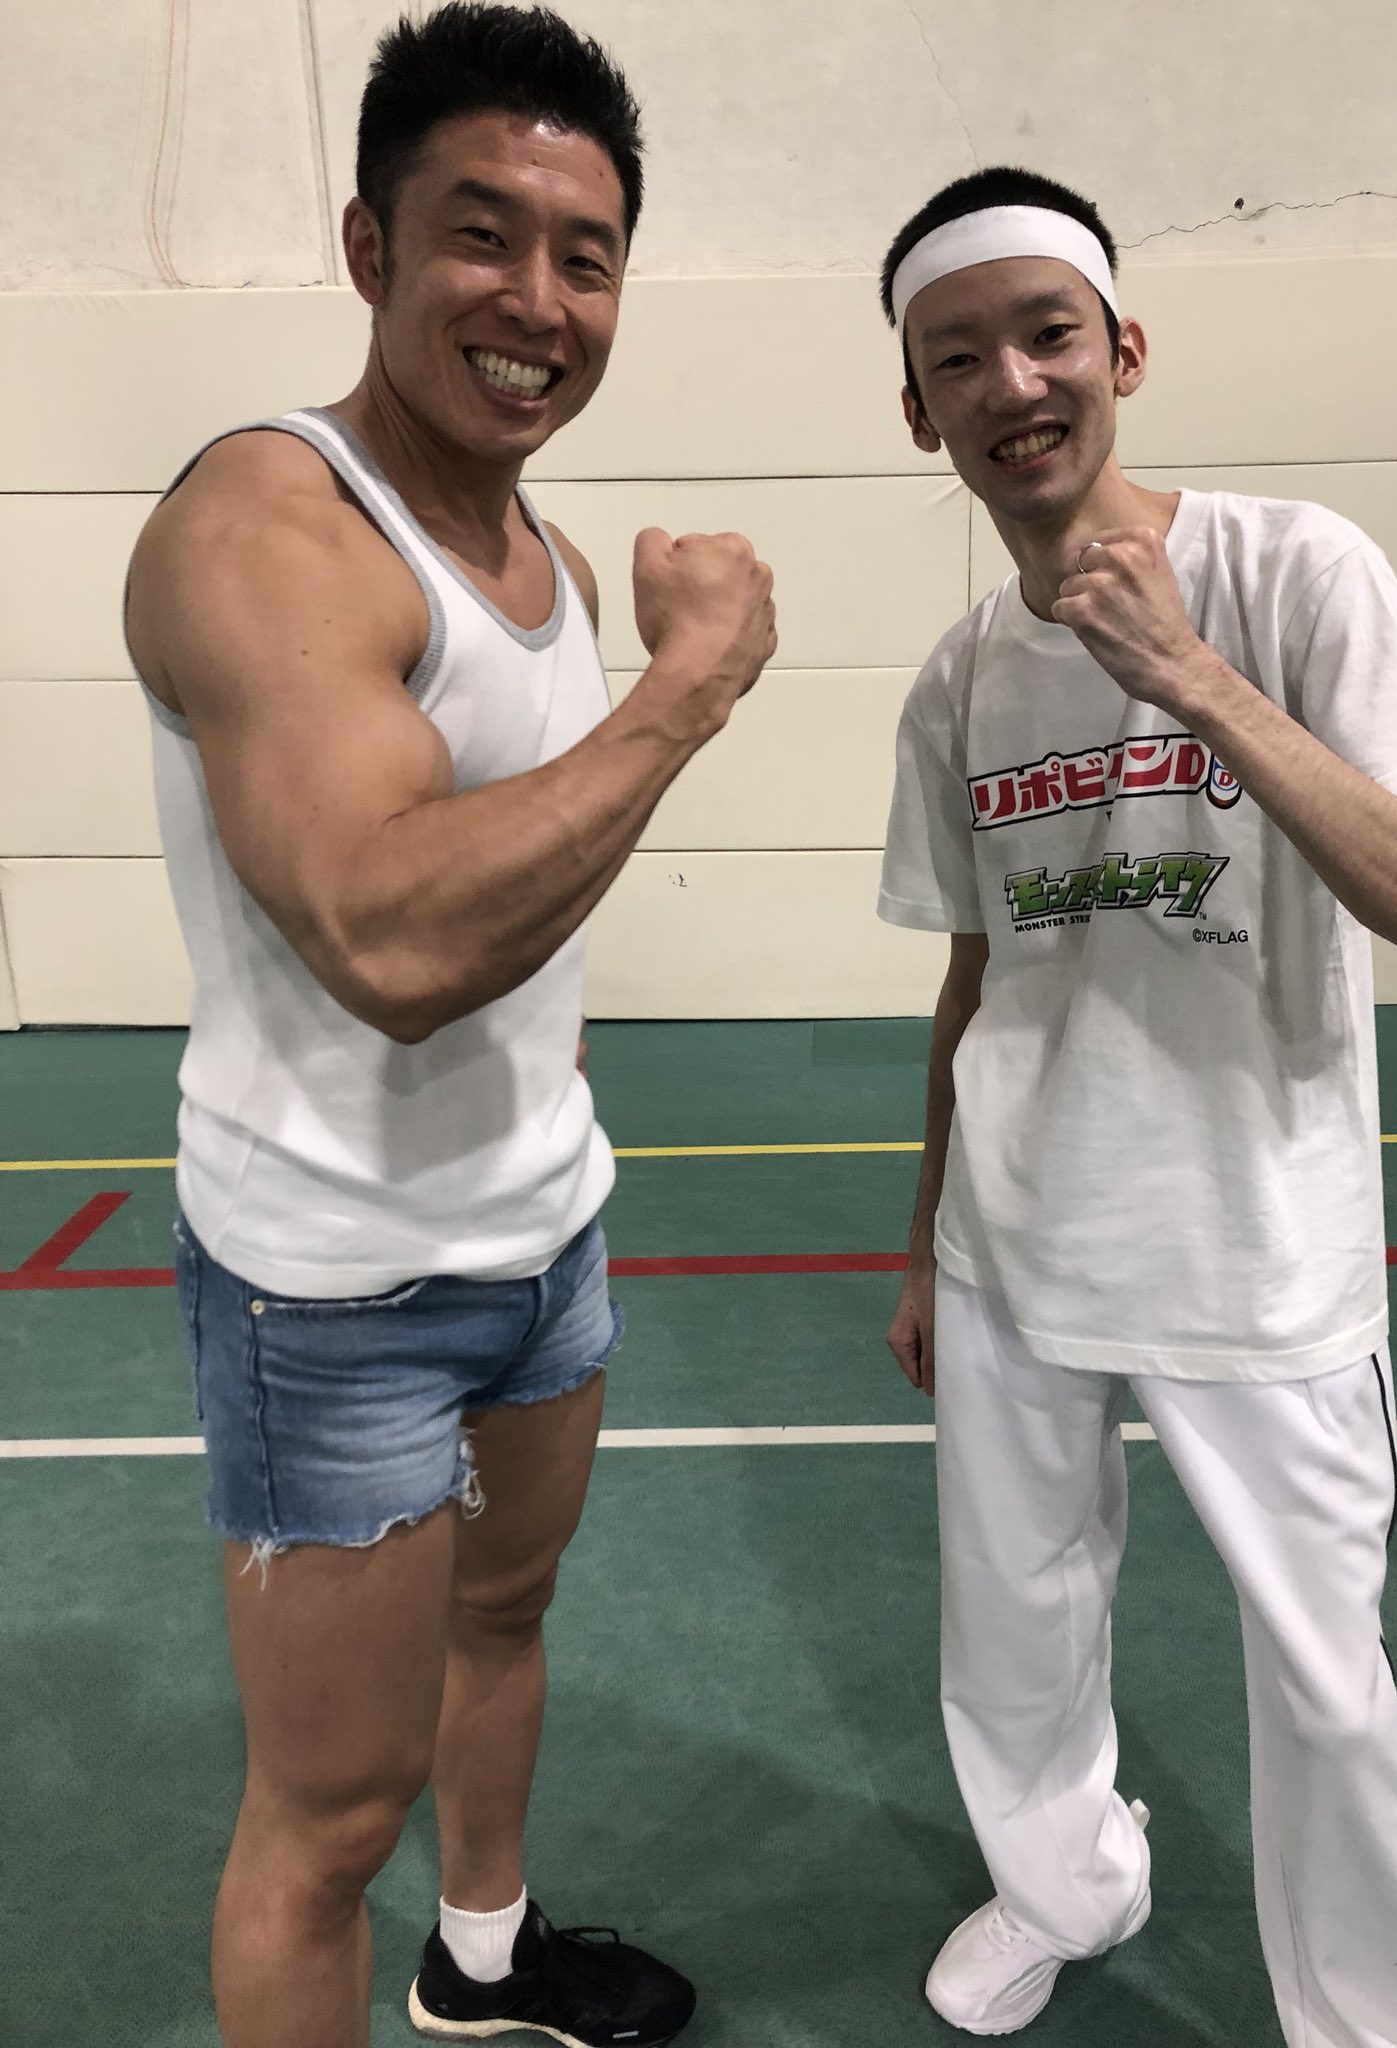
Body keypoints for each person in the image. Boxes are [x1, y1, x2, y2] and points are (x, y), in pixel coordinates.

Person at [124, 6, 775, 2045]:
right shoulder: (267, 526)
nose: (539, 301)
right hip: (333, 1288)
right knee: (327, 1821)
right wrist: (691, 689)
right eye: (482, 234)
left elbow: (518, 894)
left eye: (588, 255)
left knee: (509, 1614)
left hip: (539, 1236)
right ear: (369, 246)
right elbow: (389, 940)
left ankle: (481, 1960)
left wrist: (549, 1097)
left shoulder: (545, 559)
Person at [876, 165, 1397, 2044]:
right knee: (1013, 1632)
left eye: (1046, 334)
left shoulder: (1296, 572)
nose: (1012, 383)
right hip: (1014, 1245)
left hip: (1259, 1249)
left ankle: (1376, 2022)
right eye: (959, 357)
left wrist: (1188, 676)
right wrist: (922, 1240)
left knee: (1327, 1683)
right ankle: (1061, 1882)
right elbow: (976, 976)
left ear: (1124, 350)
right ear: (918, 411)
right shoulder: (957, 679)